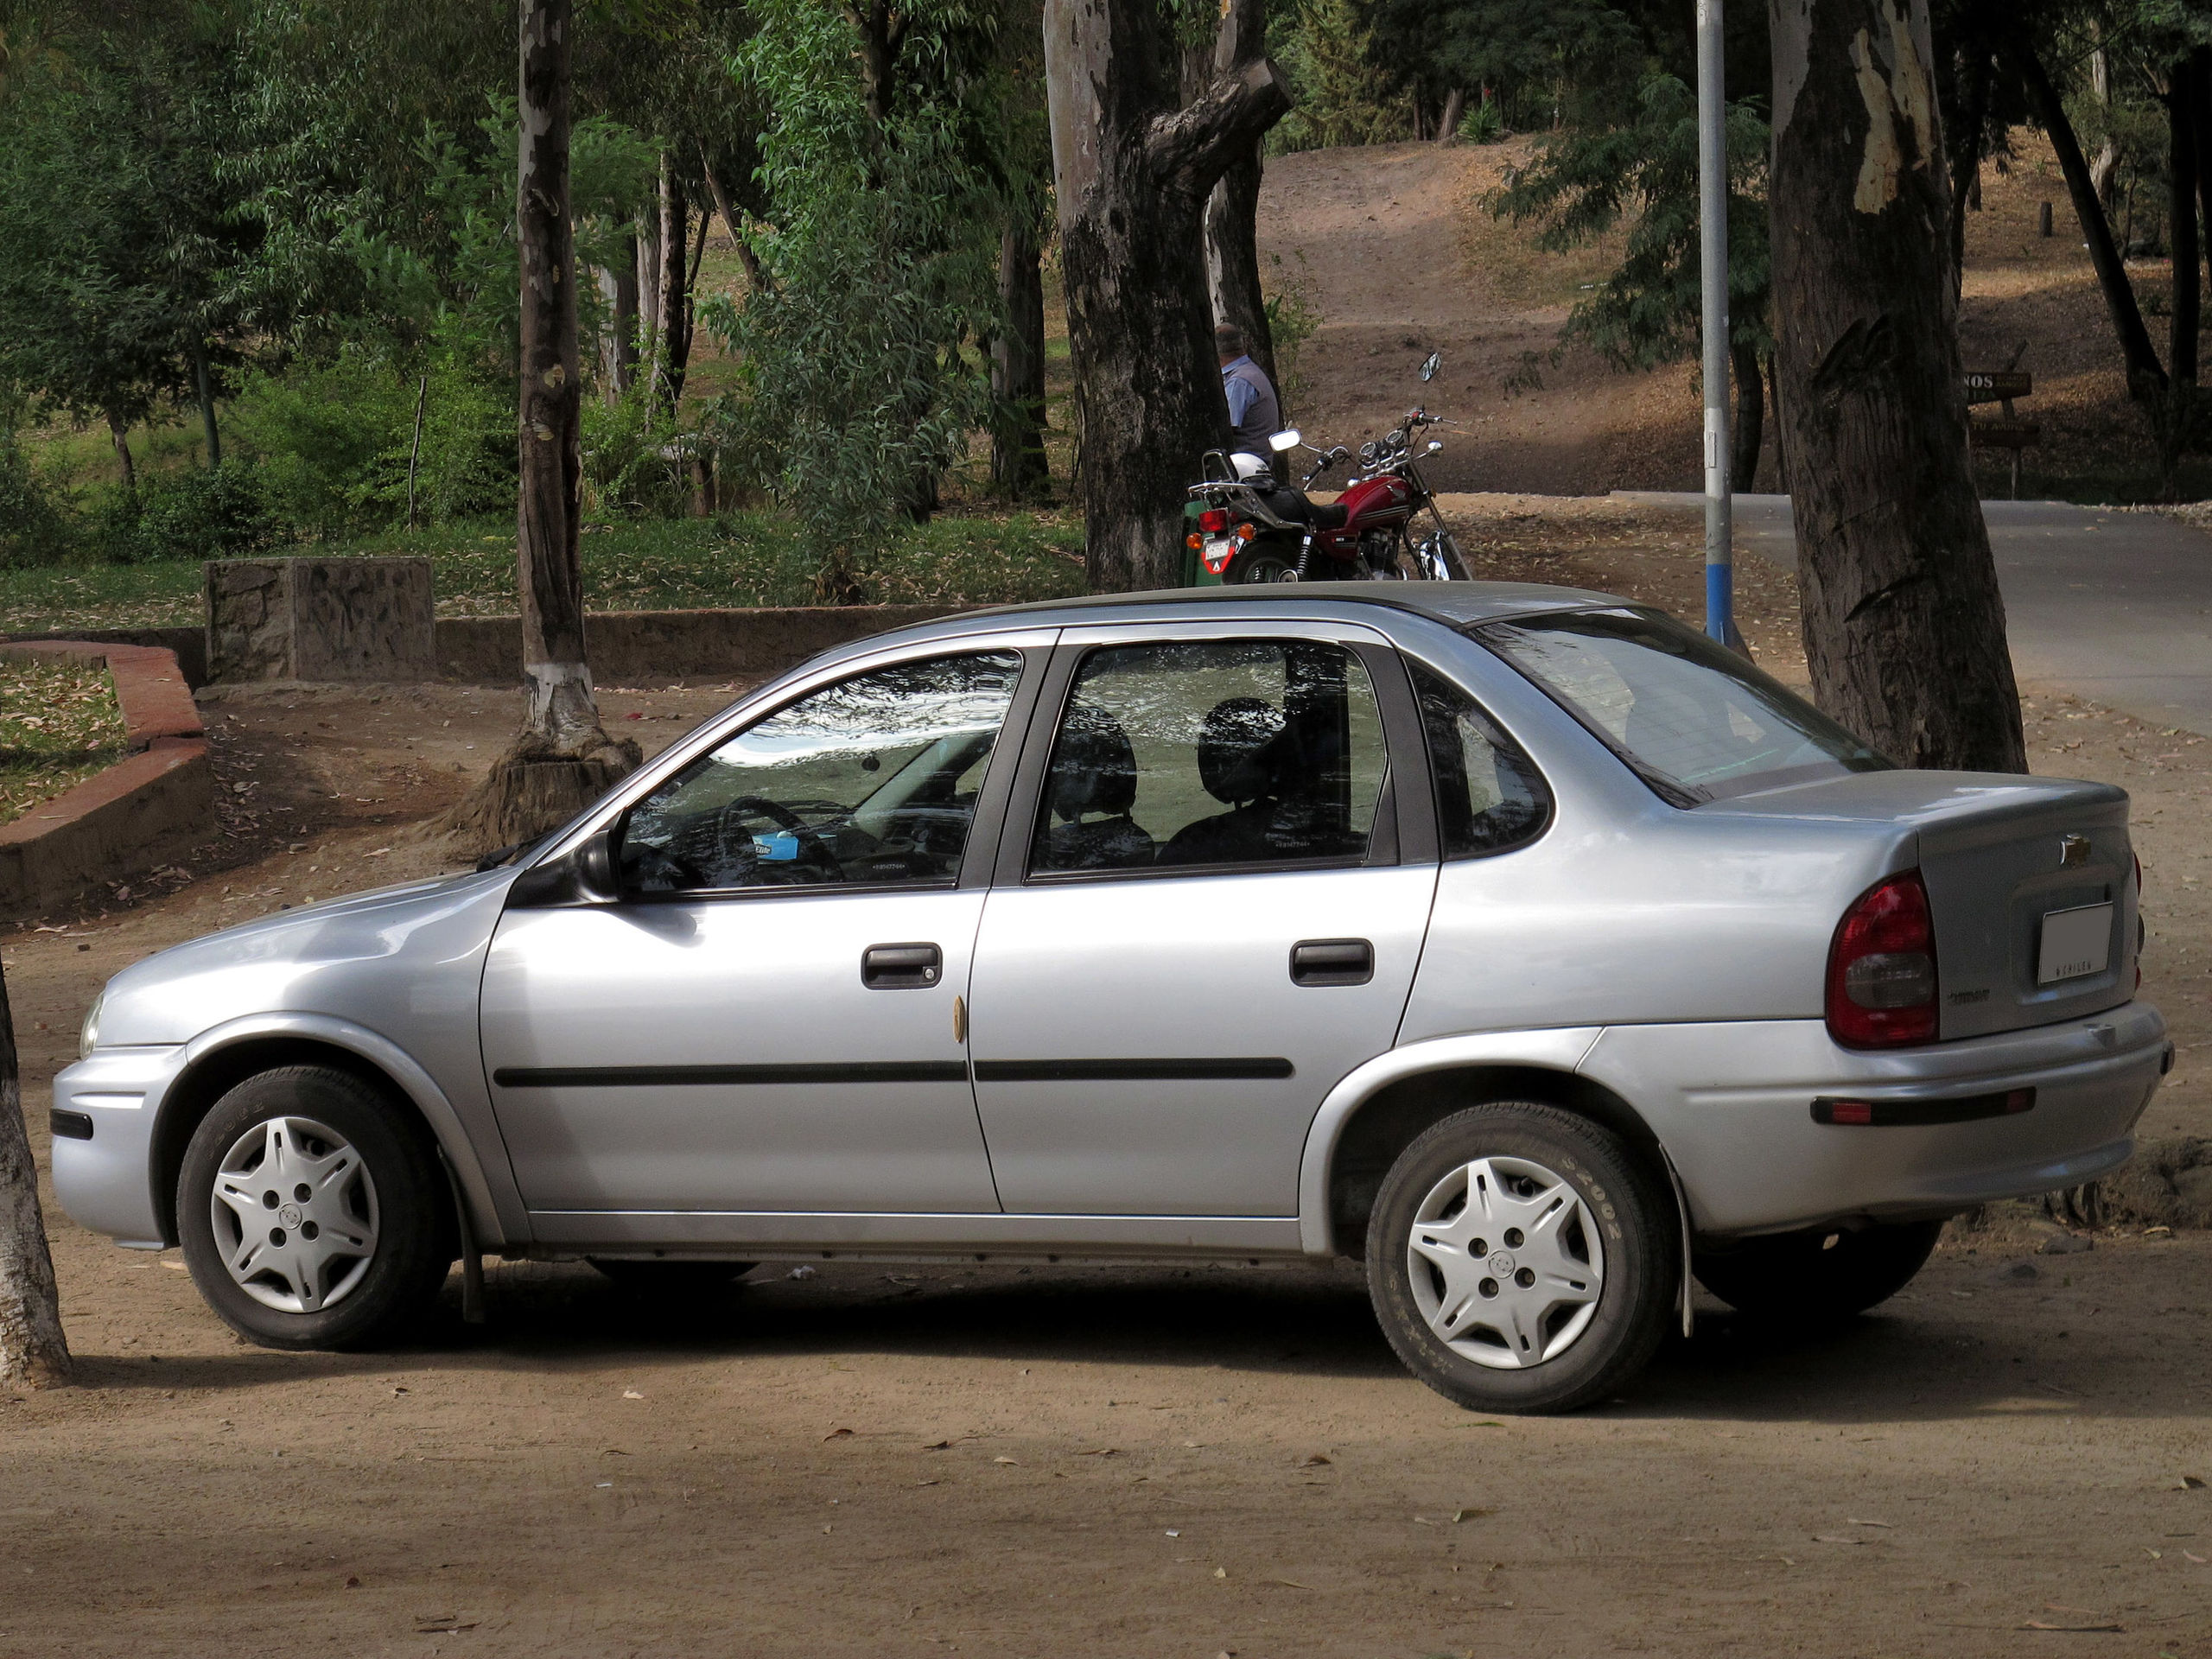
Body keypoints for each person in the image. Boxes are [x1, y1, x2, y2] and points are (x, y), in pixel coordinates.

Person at [1217, 323, 1281, 460]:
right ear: (1243, 344)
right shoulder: (1249, 371)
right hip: (1257, 459)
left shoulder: (1239, 382)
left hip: (1245, 466)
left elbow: (1226, 431)